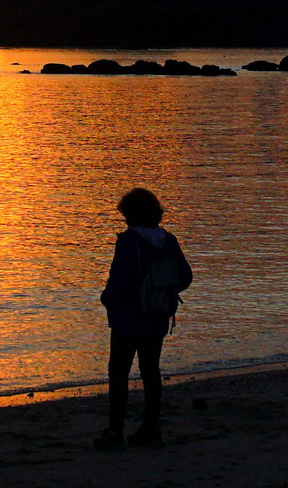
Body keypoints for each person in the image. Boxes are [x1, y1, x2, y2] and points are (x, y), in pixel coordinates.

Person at [95, 187, 193, 450]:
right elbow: (185, 277)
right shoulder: (168, 240)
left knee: (118, 373)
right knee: (151, 372)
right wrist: (162, 291)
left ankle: (115, 432)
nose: (124, 220)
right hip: (157, 316)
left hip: (128, 318)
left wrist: (106, 299)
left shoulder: (129, 242)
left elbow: (119, 281)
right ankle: (151, 428)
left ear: (132, 215)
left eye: (125, 215)